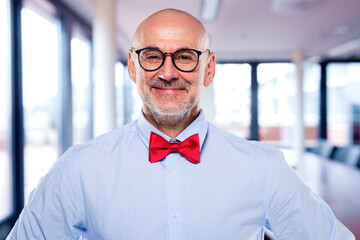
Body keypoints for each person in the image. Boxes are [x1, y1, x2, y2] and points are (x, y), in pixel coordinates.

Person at [7, 8, 354, 240]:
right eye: (152, 56)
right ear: (132, 66)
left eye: (185, 57)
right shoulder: (78, 168)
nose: (168, 72)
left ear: (209, 68)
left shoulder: (264, 167)